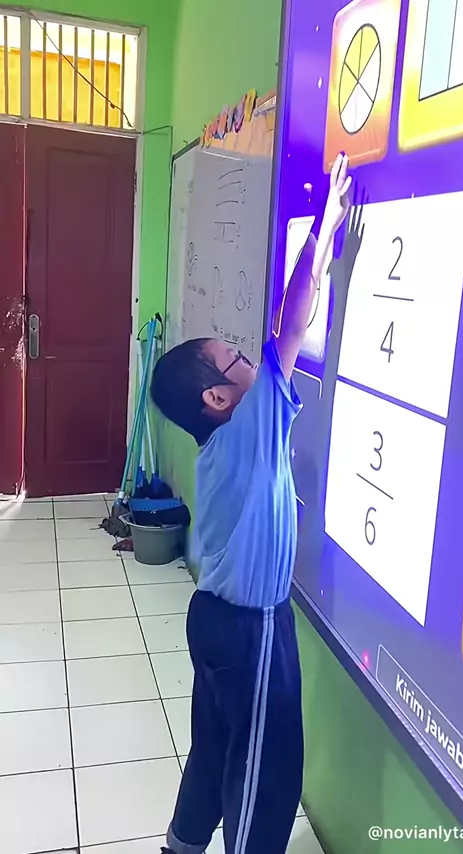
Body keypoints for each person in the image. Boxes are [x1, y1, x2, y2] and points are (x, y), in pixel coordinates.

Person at [151, 154, 351, 854]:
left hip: (212, 618)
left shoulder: (221, 444)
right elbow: (291, 327)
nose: (254, 360)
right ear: (217, 397)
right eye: (238, 359)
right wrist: (322, 232)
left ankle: (182, 844)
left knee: (215, 747)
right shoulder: (247, 425)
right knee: (266, 776)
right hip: (250, 630)